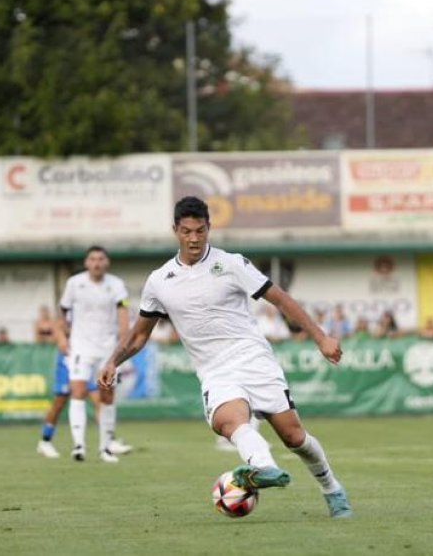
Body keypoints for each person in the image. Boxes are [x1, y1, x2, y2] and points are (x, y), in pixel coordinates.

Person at [98, 196, 353, 518]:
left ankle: (333, 490)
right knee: (228, 421)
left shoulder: (231, 263)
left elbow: (281, 298)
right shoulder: (159, 281)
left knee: (294, 437)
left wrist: (321, 338)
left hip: (253, 357)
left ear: (209, 228)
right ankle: (263, 466)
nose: (194, 239)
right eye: (187, 231)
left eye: (200, 231)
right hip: (214, 369)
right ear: (175, 230)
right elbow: (138, 335)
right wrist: (112, 361)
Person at [56, 246, 132, 463]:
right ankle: (79, 445)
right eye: (92, 259)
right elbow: (62, 310)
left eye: (101, 259)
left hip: (108, 349)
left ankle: (105, 448)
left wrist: (123, 342)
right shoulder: (74, 283)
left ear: (106, 262)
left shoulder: (116, 285)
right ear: (87, 262)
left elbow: (123, 312)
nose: (97, 263)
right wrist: (61, 337)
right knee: (78, 391)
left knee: (107, 395)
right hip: (80, 347)